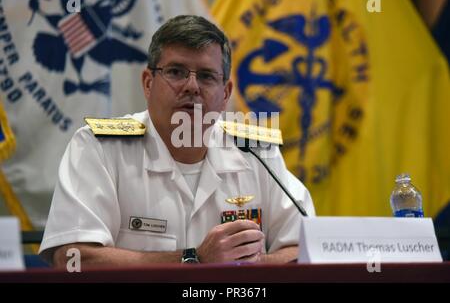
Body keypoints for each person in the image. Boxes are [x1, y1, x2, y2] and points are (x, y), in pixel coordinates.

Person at [39, 15, 315, 267]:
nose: (192, 86)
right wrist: (193, 259)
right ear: (148, 83)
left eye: (206, 76)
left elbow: (308, 249)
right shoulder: (98, 147)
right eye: (176, 72)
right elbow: (72, 258)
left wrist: (246, 267)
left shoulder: (255, 151)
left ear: (225, 93)